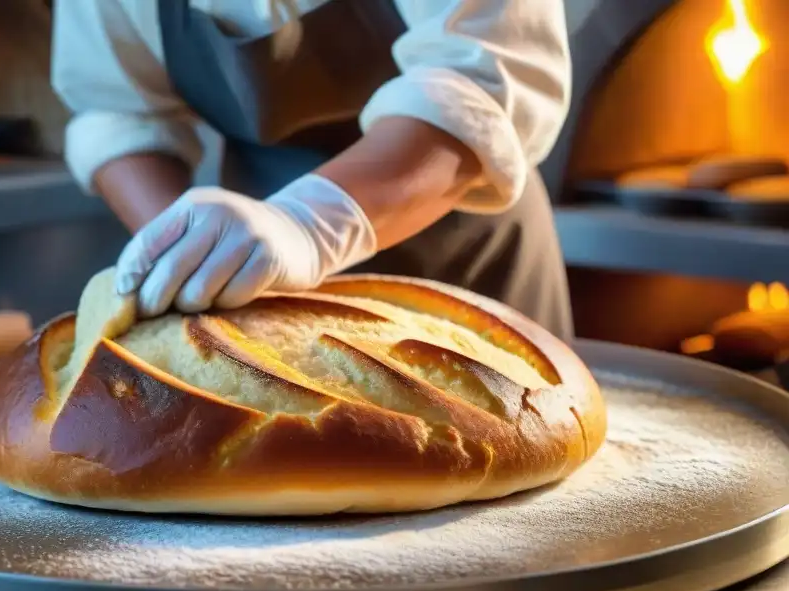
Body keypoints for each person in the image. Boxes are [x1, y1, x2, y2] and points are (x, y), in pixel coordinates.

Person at [51, 0, 574, 340]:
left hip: (463, 261)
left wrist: (306, 223)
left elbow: (479, 81)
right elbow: (118, 110)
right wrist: (188, 262)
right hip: (257, 308)